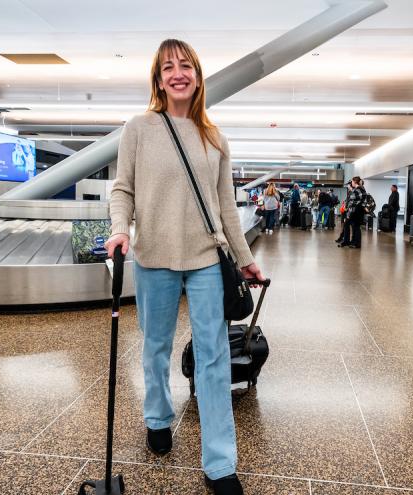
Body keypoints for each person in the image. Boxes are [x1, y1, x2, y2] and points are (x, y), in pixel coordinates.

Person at [106, 38, 263, 495]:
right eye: (169, 67)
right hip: (153, 256)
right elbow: (123, 190)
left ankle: (220, 463)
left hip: (205, 260)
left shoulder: (214, 137)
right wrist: (120, 229)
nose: (179, 73)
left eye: (186, 66)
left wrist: (246, 260)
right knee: (155, 347)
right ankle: (157, 416)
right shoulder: (138, 128)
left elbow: (227, 208)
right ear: (158, 79)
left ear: (197, 76)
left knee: (214, 358)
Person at [338, 177, 364, 248]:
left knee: (355, 227)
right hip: (357, 211)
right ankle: (352, 242)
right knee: (354, 227)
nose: (351, 183)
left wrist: (348, 211)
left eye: (352, 181)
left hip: (355, 211)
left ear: (355, 182)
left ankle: (355, 243)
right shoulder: (361, 189)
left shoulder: (357, 190)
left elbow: (352, 202)